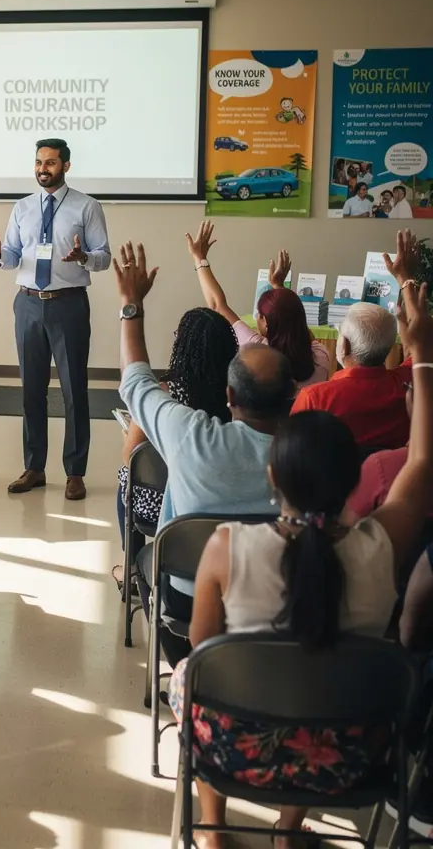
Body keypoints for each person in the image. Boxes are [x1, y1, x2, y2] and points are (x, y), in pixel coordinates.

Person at [173, 279, 433, 849]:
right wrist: (421, 353)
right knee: (310, 702)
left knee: (194, 676)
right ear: (355, 479)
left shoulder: (227, 548)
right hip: (348, 758)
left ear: (273, 476)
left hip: (235, 752)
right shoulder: (381, 546)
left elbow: (201, 652)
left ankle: (211, 830)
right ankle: (289, 829)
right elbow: (422, 463)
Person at [115, 241, 295, 665]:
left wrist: (131, 306)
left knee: (146, 557)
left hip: (189, 602)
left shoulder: (189, 434)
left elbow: (135, 381)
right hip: (285, 605)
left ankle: (189, 676)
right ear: (291, 397)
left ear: (231, 397)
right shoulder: (310, 453)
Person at [0, 138, 111, 500]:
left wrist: (84, 257)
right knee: (31, 390)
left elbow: (104, 257)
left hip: (69, 305)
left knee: (73, 390)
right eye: (38, 162)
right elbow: (12, 257)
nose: (42, 169)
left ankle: (75, 472)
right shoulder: (22, 208)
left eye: (50, 162)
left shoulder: (87, 206)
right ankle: (34, 467)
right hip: (28, 304)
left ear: (66, 166)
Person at [112, 307, 238, 590]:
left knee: (126, 478)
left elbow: (131, 456)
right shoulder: (237, 395)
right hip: (219, 499)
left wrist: (127, 433)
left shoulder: (166, 395)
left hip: (165, 506)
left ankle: (131, 567)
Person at [292, 231, 415, 448]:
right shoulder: (409, 384)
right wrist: (404, 279)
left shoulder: (314, 398)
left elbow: (293, 452)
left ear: (345, 345)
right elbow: (415, 346)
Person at [187, 221, 329, 388]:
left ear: (266, 323)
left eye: (259, 315)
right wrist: (278, 286)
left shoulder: (258, 352)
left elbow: (217, 305)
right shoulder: (320, 355)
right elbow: (295, 323)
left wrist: (199, 259)